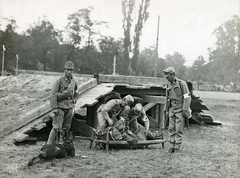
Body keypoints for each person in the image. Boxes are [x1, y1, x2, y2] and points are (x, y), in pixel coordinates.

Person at [47, 61, 80, 144]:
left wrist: (74, 100)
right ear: (65, 70)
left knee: (66, 128)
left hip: (69, 106)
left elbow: (76, 93)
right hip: (60, 106)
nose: (69, 72)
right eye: (68, 70)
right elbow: (53, 95)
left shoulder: (73, 82)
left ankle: (62, 145)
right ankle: (48, 145)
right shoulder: (59, 81)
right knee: (56, 127)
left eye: (71, 70)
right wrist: (54, 108)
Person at [163, 66, 192, 153]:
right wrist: (166, 109)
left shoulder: (181, 84)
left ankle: (177, 147)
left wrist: (185, 109)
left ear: (173, 75)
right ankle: (171, 146)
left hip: (180, 109)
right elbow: (167, 98)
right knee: (171, 128)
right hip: (172, 108)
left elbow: (187, 97)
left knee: (178, 129)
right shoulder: (168, 85)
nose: (167, 79)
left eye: (168, 77)